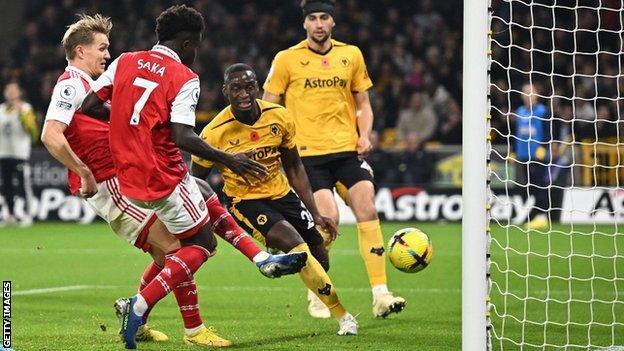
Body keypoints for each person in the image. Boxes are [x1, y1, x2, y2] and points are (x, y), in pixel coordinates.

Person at [41, 12, 305, 349]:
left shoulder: (114, 71)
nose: (107, 54)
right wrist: (83, 171)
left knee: (199, 202)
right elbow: (51, 135)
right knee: (178, 249)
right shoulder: (70, 84)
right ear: (80, 51)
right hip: (111, 183)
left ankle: (146, 312)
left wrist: (133, 125)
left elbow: (102, 111)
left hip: (126, 172)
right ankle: (185, 325)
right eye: (101, 48)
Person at [262, 0, 405, 318]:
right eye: (312, 18)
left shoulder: (351, 55)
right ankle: (317, 291)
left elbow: (363, 104)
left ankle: (380, 294)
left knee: (367, 205)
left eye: (324, 17)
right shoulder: (287, 59)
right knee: (328, 220)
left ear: (333, 22)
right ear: (304, 24)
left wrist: (365, 133)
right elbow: (267, 107)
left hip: (346, 151)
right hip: (307, 156)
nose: (318, 23)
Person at [192, 63, 359, 336]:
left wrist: (315, 213)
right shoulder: (214, 132)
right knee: (298, 249)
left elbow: (294, 168)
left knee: (320, 258)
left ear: (257, 87)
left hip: (283, 195)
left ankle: (281, 259)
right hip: (245, 202)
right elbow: (195, 181)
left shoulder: (279, 117)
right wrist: (202, 223)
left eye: (249, 86)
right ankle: (345, 317)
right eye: (236, 88)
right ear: (225, 92)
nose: (244, 93)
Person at [513, 83, 551, 229]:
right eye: (525, 92)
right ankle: (537, 215)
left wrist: (543, 147)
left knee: (539, 185)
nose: (527, 95)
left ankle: (542, 216)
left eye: (530, 92)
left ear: (536, 94)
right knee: (531, 187)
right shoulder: (520, 111)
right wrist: (513, 151)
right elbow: (515, 133)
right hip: (523, 155)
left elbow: (549, 131)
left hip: (538, 155)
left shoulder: (543, 111)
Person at [0, 81, 39, 227]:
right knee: (7, 186)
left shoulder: (26, 108)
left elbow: (33, 131)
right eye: (8, 90)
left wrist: (22, 114)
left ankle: (27, 215)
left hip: (20, 154)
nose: (10, 93)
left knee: (23, 185)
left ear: (19, 92)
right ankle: (10, 215)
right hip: (4, 153)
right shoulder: (1, 109)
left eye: (13, 90)